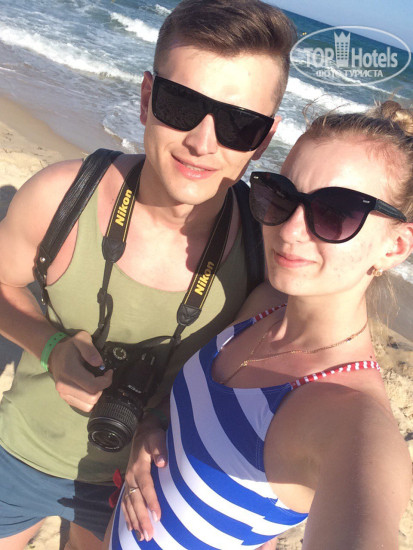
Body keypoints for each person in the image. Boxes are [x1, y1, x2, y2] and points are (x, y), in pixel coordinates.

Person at [0, 1, 296, 549]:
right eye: (181, 104)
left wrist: (157, 423)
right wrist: (51, 346)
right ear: (145, 98)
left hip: (134, 488)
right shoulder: (63, 197)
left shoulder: (265, 257)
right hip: (16, 451)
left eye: (239, 123)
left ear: (263, 138)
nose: (203, 142)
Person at [105, 100, 413, 549]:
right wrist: (151, 427)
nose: (289, 230)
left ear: (395, 246)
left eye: (335, 213)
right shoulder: (265, 305)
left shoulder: (352, 420)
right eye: (280, 197)